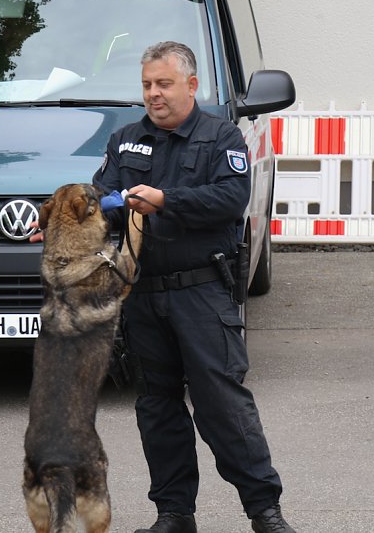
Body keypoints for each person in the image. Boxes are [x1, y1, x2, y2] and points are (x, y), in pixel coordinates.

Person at [93, 41, 296, 533]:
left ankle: (265, 512)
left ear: (191, 84)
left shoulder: (220, 136)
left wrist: (167, 201)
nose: (153, 94)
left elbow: (231, 198)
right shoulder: (124, 140)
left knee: (221, 404)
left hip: (201, 293)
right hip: (143, 295)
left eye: (163, 84)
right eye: (146, 85)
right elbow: (101, 195)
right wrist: (62, 219)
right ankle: (174, 515)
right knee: (157, 409)